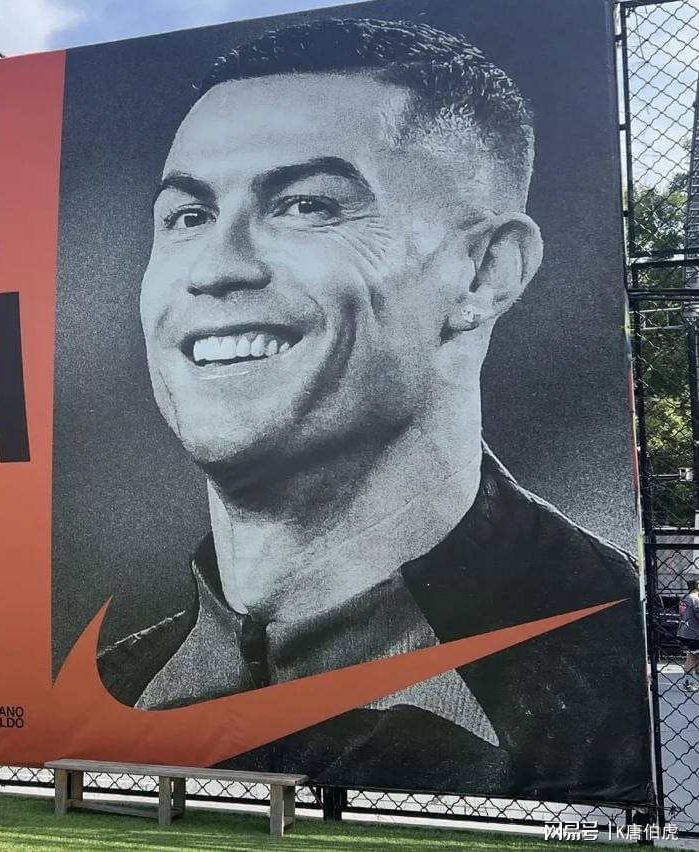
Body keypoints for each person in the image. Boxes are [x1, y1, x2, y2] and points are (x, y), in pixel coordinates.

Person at [96, 17, 650, 803]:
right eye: (188, 217)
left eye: (306, 206)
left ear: (484, 274)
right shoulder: (108, 686)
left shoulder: (614, 677)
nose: (214, 268)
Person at [678, 580, 699, 692]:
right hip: (694, 633)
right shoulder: (695, 599)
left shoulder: (685, 597)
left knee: (692, 656)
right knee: (694, 657)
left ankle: (688, 682)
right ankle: (689, 681)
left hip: (684, 632)